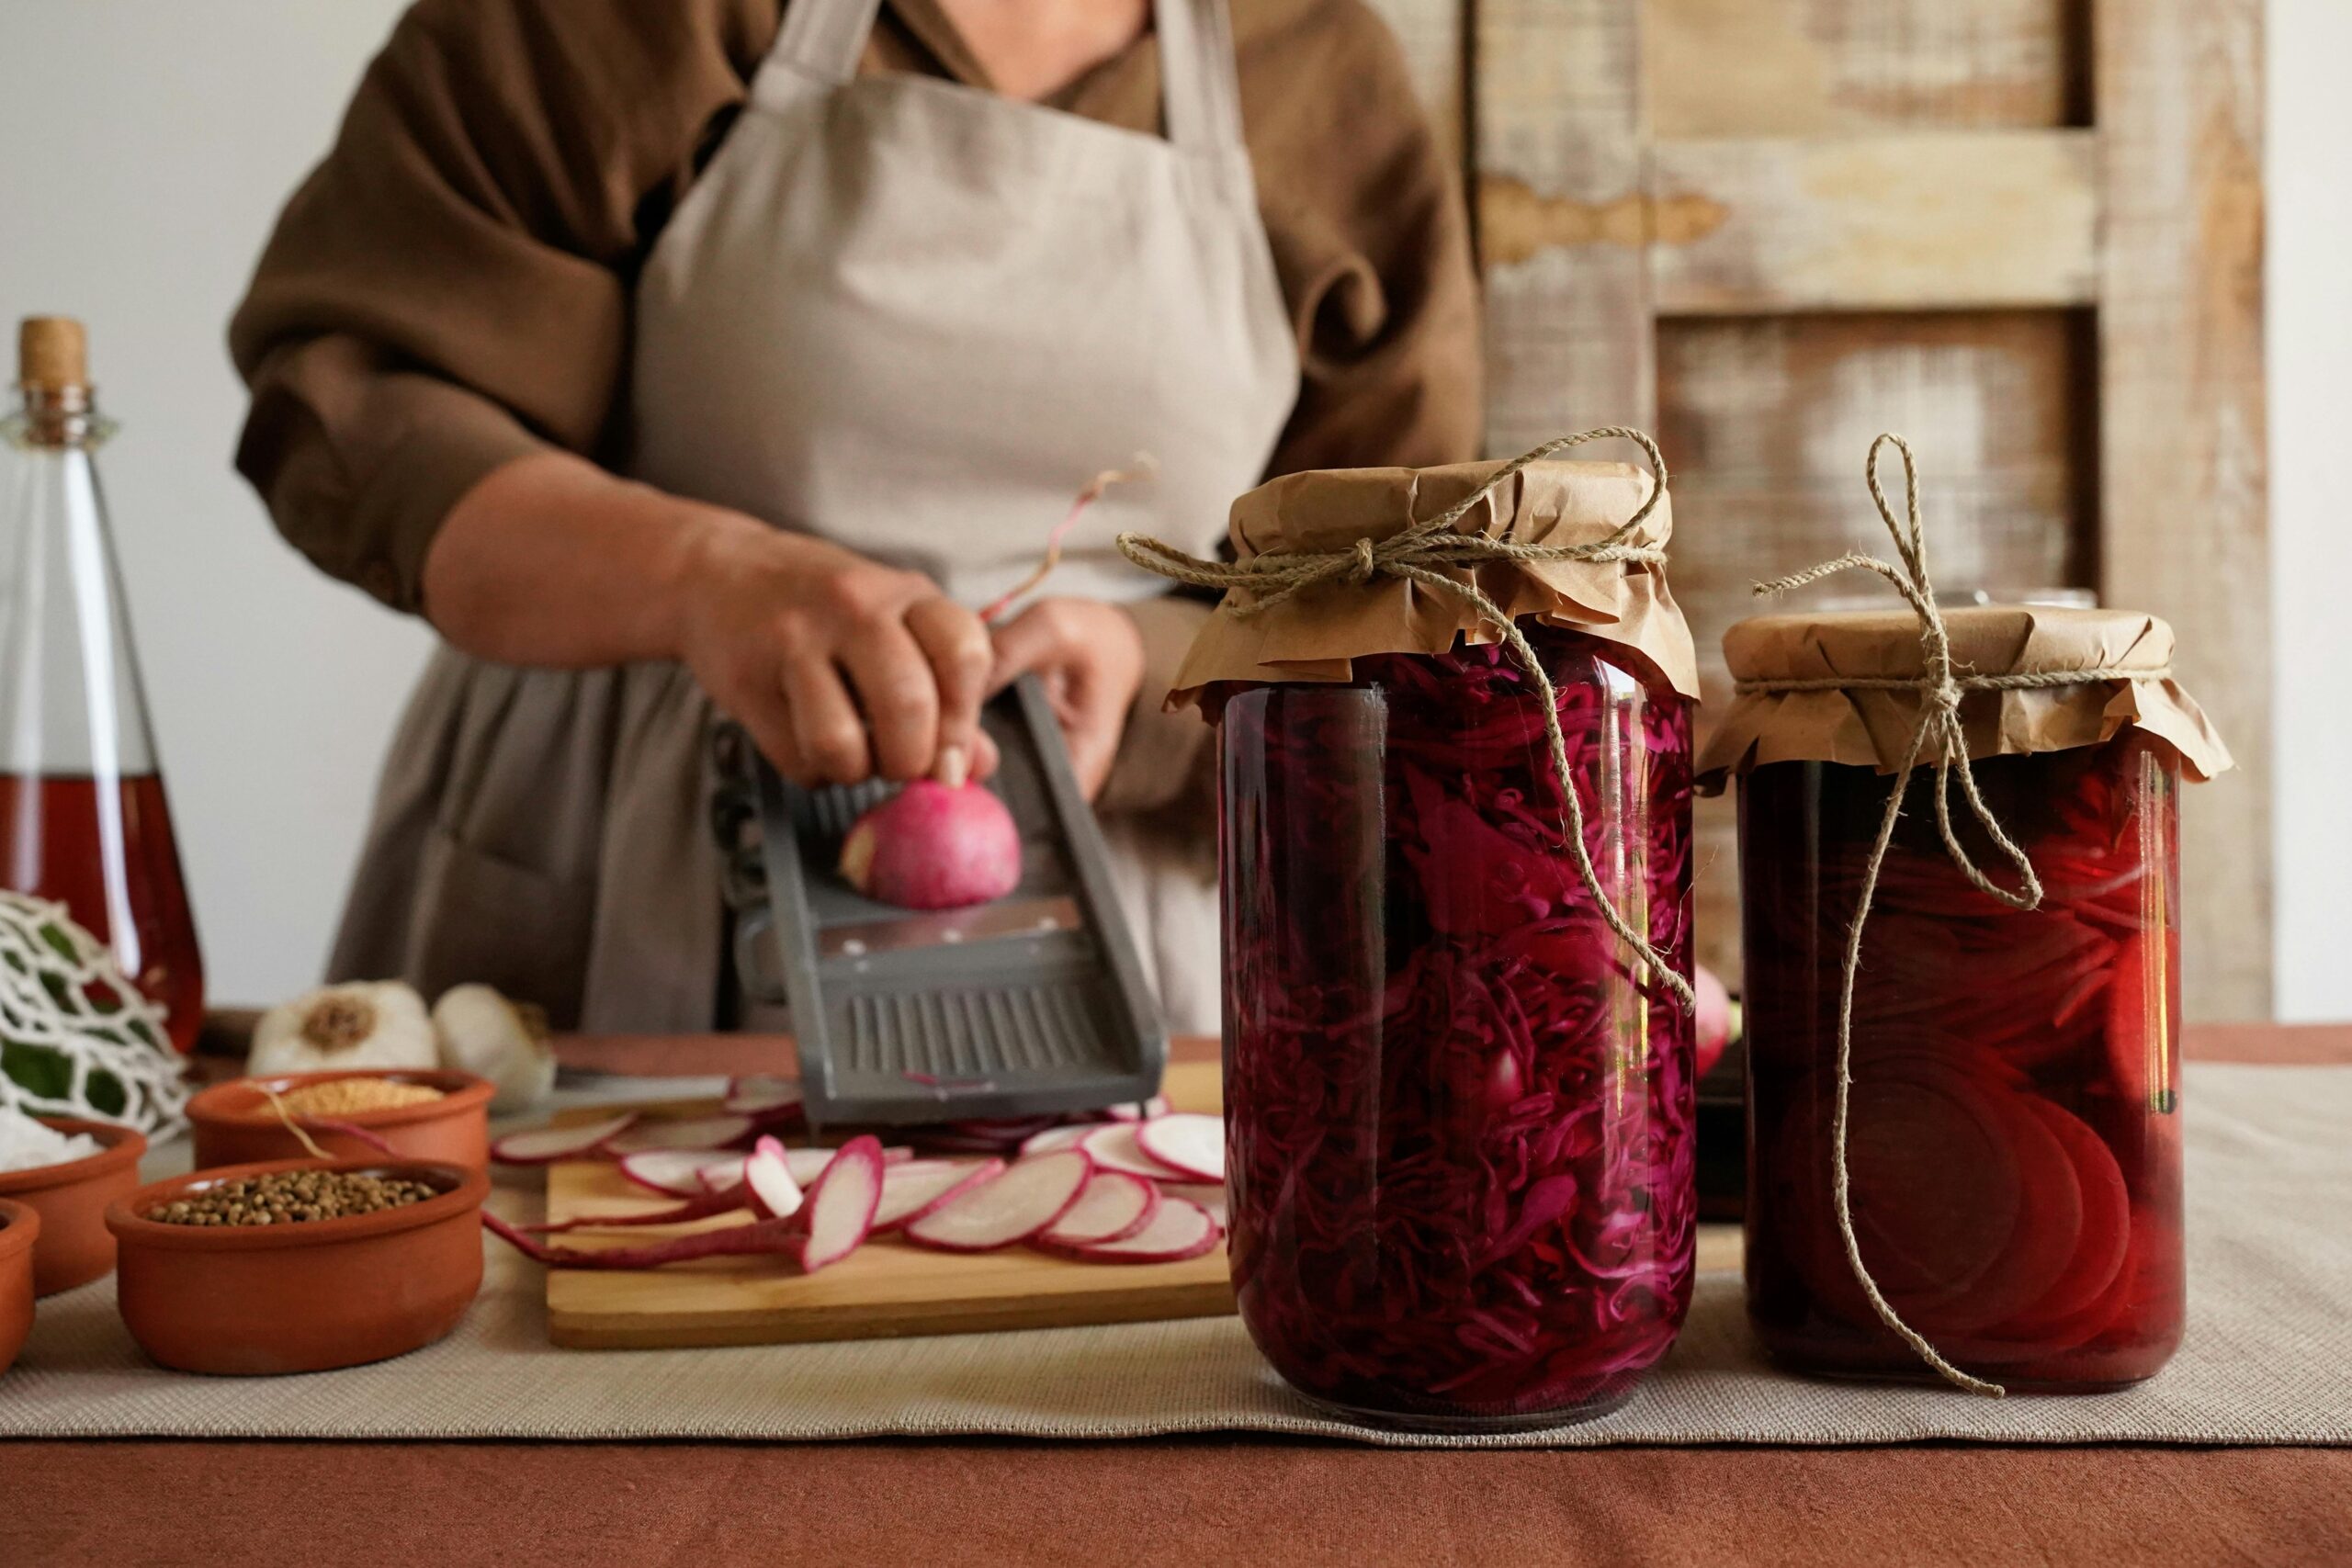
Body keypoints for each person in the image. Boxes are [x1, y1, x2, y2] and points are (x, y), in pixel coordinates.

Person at [230, 0, 1480, 1035]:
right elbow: (359, 403)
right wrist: (701, 576)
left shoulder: (1320, 64)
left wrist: (1154, 670)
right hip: (618, 867)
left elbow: (1398, 593)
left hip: (1131, 918)